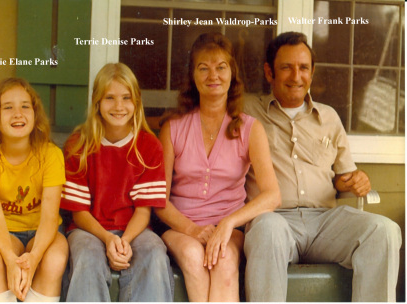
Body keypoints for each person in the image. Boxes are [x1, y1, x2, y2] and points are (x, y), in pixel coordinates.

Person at [243, 31, 402, 302]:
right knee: (268, 228)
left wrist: (356, 179)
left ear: (312, 72)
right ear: (269, 72)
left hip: (324, 223)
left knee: (384, 231)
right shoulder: (246, 111)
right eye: (286, 68)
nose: (296, 76)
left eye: (304, 68)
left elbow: (342, 178)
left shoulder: (329, 117)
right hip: (274, 219)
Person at [155, 32, 281, 302]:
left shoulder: (250, 128)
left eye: (221, 67)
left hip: (229, 228)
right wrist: (193, 230)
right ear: (193, 76)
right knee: (192, 257)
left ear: (232, 74)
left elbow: (273, 195)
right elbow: (159, 200)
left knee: (223, 260)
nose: (213, 75)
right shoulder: (173, 128)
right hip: (181, 228)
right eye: (204, 68)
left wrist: (228, 224)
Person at [60, 63, 174, 302]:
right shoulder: (79, 144)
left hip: (134, 228)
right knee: (88, 256)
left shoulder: (148, 146)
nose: (119, 106)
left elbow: (144, 211)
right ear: (97, 102)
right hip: (88, 229)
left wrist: (124, 241)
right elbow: (79, 213)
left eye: (126, 98)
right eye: (109, 98)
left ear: (137, 103)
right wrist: (108, 238)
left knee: (154, 252)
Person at [0, 78, 69, 302]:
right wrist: (9, 260)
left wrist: (33, 259)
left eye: (25, 106)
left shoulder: (51, 155)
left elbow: (50, 218)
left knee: (53, 259)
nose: (18, 113)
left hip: (44, 232)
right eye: (8, 107)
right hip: (4, 233)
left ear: (35, 114)